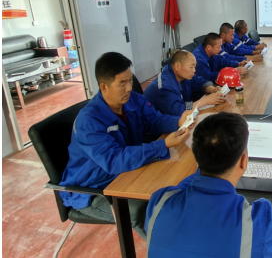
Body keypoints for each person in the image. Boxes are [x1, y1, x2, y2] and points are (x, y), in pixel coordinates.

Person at [145, 112, 272, 257]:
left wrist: (209, 162)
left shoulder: (159, 202)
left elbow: (187, 186)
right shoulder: (257, 225)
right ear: (243, 161)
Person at [59, 52, 192, 239]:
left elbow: (154, 120)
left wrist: (178, 121)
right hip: (94, 189)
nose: (129, 88)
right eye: (122, 83)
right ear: (104, 87)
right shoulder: (88, 121)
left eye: (130, 80)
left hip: (127, 172)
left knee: (174, 188)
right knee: (141, 211)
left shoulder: (133, 100)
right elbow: (114, 161)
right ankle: (165, 247)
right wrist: (162, 145)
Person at [143, 50, 226, 116]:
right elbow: (177, 110)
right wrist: (205, 101)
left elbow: (200, 82)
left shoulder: (184, 74)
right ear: (177, 66)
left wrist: (213, 89)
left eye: (194, 67)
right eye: (191, 67)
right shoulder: (166, 85)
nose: (194, 70)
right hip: (157, 126)